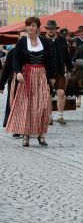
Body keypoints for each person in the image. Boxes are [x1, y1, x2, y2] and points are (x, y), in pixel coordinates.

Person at [5, 17, 55, 147]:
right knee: (27, 106)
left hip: (41, 75)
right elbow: (16, 59)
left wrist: (51, 77)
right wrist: (19, 73)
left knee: (43, 105)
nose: (31, 28)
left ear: (38, 27)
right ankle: (26, 136)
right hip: (27, 76)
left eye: (33, 25)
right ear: (26, 27)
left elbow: (48, 60)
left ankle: (41, 135)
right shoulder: (22, 42)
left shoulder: (43, 41)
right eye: (28, 25)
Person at [45, 20, 73, 125]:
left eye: (53, 28)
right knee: (47, 95)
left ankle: (60, 116)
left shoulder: (61, 40)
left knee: (61, 93)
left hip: (60, 71)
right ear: (47, 29)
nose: (51, 30)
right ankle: (49, 117)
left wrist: (70, 69)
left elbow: (66, 56)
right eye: (49, 28)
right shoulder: (43, 40)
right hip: (47, 72)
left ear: (56, 30)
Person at [0, 29, 27, 136]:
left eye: (25, 37)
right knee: (15, 104)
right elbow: (6, 69)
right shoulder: (12, 52)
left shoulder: (32, 51)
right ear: (18, 38)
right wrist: (1, 85)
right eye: (21, 37)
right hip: (14, 82)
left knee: (26, 105)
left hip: (29, 82)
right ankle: (16, 128)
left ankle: (27, 126)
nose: (23, 39)